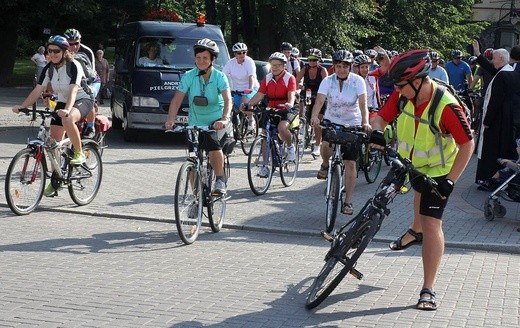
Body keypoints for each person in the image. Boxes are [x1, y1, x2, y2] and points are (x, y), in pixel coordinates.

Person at [369, 49, 474, 311]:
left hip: (439, 170)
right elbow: (381, 117)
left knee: (431, 221)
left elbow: (467, 144)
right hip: (410, 161)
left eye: (401, 86)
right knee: (409, 193)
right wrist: (378, 132)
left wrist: (450, 181)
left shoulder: (446, 106)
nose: (397, 91)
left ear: (419, 82)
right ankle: (414, 232)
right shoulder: (404, 93)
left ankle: (428, 288)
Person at [12, 35, 95, 197]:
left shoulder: (74, 66)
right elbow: (38, 90)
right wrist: (23, 106)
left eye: (56, 51)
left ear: (64, 52)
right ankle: (56, 180)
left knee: (68, 118)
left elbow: (73, 91)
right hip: (63, 102)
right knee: (53, 144)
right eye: (49, 50)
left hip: (82, 99)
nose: (52, 53)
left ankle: (79, 153)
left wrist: (67, 110)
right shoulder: (48, 68)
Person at [165, 38, 232, 195]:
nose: (201, 61)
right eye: (198, 58)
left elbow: (228, 99)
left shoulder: (219, 77)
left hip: (215, 121)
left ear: (212, 60)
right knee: (193, 159)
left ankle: (220, 179)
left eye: (205, 58)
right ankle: (196, 198)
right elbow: (176, 100)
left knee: (212, 144)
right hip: (195, 122)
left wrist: (224, 119)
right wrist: (170, 119)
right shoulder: (189, 76)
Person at [310, 49, 370, 215]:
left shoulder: (358, 81)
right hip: (332, 120)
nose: (341, 69)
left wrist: (365, 122)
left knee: (350, 163)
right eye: (338, 66)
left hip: (352, 123)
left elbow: (363, 103)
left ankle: (348, 202)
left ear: (350, 67)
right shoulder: (328, 81)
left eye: (345, 66)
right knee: (325, 145)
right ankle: (324, 164)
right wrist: (315, 116)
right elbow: (320, 101)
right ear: (334, 67)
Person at [474, 48, 518, 187]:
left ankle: (489, 179)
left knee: (490, 150)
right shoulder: (510, 72)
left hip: (496, 121)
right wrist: (479, 55)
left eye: (494, 58)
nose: (492, 61)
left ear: (501, 59)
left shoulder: (502, 75)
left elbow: (495, 101)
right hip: (506, 119)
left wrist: (487, 121)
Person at [245, 51, 298, 162]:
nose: (274, 68)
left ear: (284, 66)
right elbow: (260, 94)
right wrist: (249, 104)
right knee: (265, 134)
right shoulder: (268, 78)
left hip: (286, 108)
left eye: (277, 65)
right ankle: (265, 164)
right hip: (271, 108)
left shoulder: (289, 78)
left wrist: (290, 103)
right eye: (273, 65)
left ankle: (290, 146)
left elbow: (291, 94)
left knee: (282, 128)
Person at [64, 28, 100, 139]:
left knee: (89, 96)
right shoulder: (61, 51)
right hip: (73, 81)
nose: (74, 47)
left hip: (91, 80)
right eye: (70, 44)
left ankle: (90, 126)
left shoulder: (86, 51)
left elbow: (92, 72)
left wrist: (85, 86)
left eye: (77, 43)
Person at [295, 48, 328, 157]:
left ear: (319, 60)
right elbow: (296, 81)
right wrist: (295, 91)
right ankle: (303, 126)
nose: (311, 62)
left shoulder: (322, 70)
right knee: (303, 113)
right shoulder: (305, 69)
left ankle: (318, 145)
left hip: (319, 96)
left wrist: (323, 96)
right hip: (308, 94)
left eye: (314, 60)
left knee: (317, 122)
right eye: (309, 60)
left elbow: (326, 85)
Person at [222, 42, 258, 130]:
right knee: (232, 107)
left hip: (250, 88)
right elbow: (222, 76)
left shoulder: (249, 62)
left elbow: (251, 76)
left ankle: (251, 119)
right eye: (239, 53)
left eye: (244, 52)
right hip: (237, 89)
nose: (242, 54)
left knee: (244, 103)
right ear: (235, 54)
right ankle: (236, 125)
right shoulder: (231, 63)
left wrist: (250, 88)